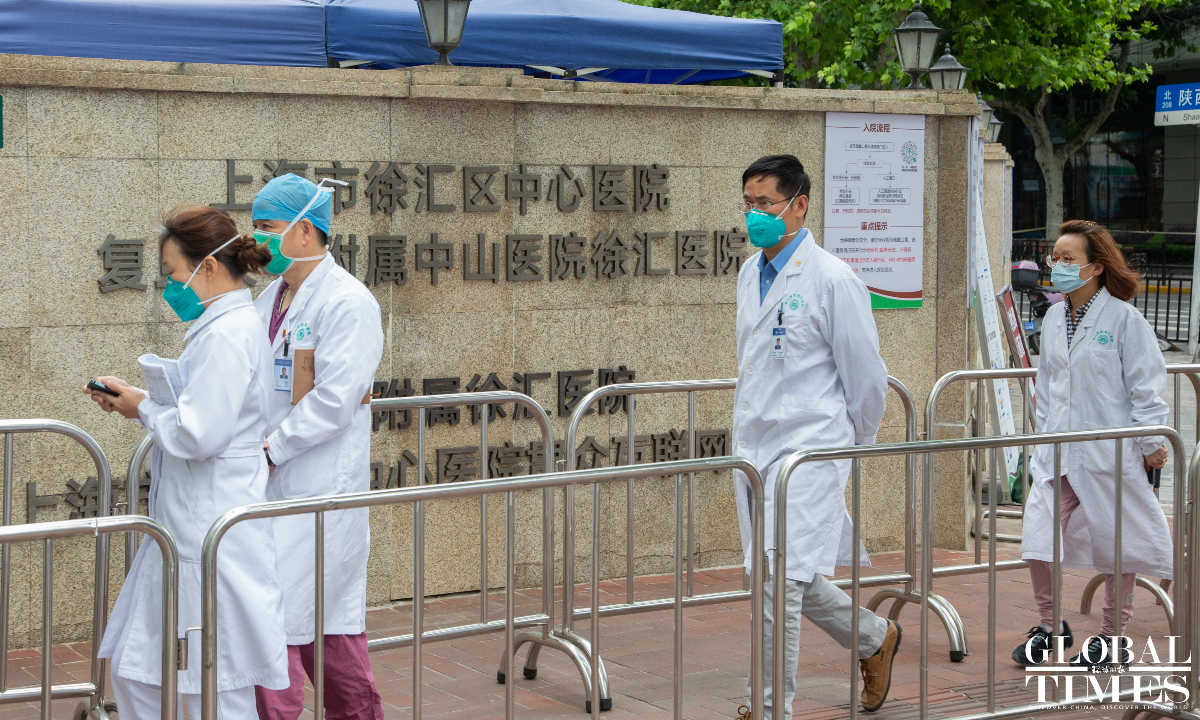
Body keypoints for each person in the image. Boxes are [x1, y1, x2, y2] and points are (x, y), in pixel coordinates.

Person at [84, 206, 287, 720]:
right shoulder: (225, 327)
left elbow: (200, 433)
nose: (171, 285)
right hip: (194, 520)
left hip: (204, 522)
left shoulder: (226, 333)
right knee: (169, 675)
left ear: (209, 268)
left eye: (175, 274)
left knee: (197, 682)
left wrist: (141, 406)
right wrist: (143, 403)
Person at [731, 155, 900, 719]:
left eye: (766, 204)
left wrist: (851, 445)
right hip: (756, 450)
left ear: (799, 205)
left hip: (813, 451)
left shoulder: (832, 278)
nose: (756, 215)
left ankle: (770, 707)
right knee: (779, 578)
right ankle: (876, 637)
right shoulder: (747, 274)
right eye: (749, 204)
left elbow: (867, 377)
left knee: (780, 582)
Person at [250, 174, 385, 720]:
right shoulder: (271, 298)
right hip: (277, 484)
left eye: (267, 228)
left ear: (305, 231)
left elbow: (334, 401)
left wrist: (270, 449)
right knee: (303, 624)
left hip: (319, 486)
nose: (258, 241)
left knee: (307, 626)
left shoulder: (348, 302)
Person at [1014, 220, 1170, 669]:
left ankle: (1112, 636)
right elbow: (1048, 387)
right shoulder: (1055, 316)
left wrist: (1150, 442)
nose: (1057, 266)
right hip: (1058, 451)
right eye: (1054, 258)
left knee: (1117, 543)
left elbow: (1145, 388)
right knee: (1038, 538)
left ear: (1096, 268)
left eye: (1068, 259)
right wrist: (1040, 440)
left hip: (1108, 453)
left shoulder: (1124, 320)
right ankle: (1049, 627)